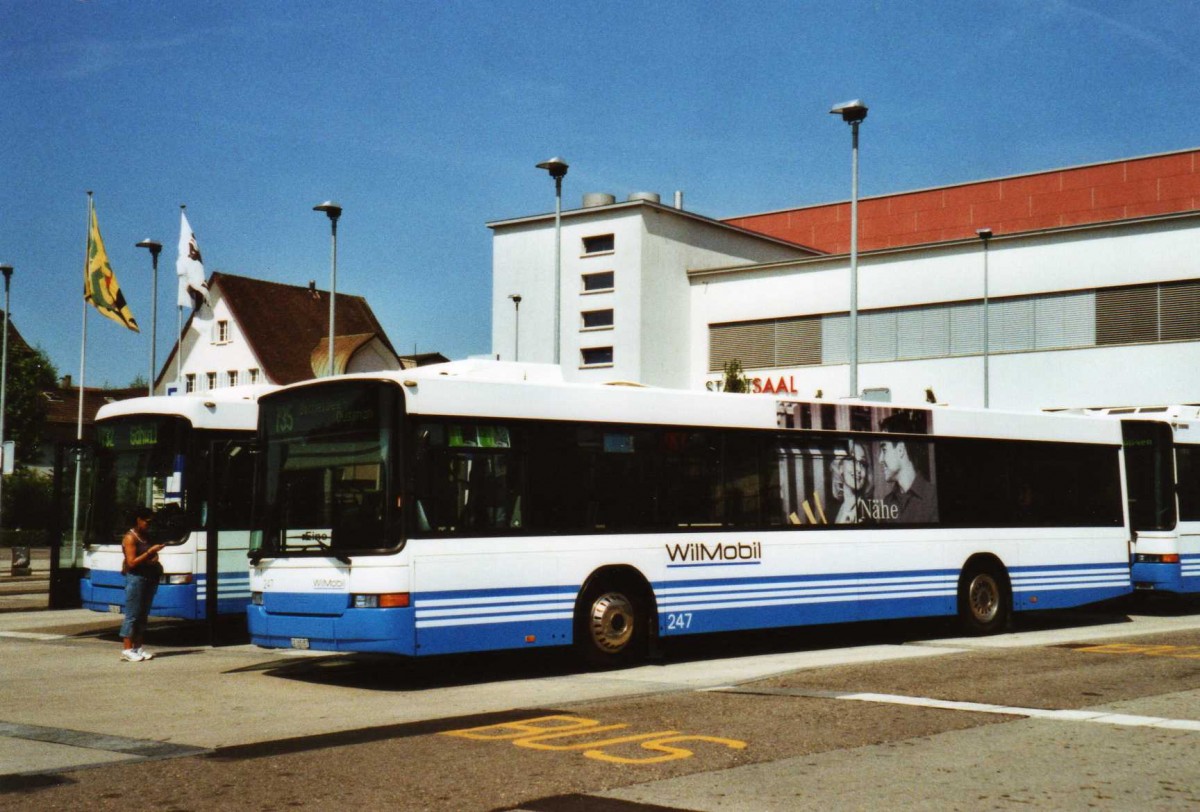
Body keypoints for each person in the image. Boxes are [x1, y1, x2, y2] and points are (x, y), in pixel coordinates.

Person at [120, 507, 165, 662]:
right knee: (132, 614)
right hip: (136, 578)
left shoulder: (146, 536)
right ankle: (127, 649)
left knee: (143, 614)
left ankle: (138, 647)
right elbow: (131, 562)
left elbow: (152, 556)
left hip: (149, 577)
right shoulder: (130, 538)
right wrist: (149, 553)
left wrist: (154, 555)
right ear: (138, 519)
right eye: (147, 521)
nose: (149, 524)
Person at [878, 413, 938, 524]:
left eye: (884, 449)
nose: (880, 459)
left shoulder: (934, 499)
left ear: (901, 449)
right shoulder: (887, 503)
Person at [831, 440, 873, 524]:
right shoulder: (830, 510)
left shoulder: (871, 510)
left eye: (862, 463)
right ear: (840, 467)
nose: (858, 469)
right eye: (852, 460)